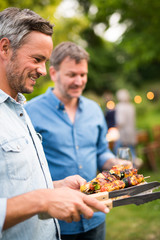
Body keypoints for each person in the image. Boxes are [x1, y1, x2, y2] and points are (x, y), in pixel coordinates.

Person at [0, 8, 111, 240]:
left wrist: (54, 187)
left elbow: (15, 184)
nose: (41, 70)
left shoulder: (19, 110)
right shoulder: (33, 109)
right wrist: (44, 199)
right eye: (37, 59)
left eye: (44, 61)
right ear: (4, 48)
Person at [25, 41, 132, 240]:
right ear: (54, 73)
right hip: (56, 222)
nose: (79, 81)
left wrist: (114, 163)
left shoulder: (94, 110)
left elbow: (101, 151)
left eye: (83, 74)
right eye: (71, 75)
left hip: (96, 213)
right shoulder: (30, 112)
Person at [114, 89, 140, 167]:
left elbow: (121, 122)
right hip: (132, 133)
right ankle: (134, 169)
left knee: (119, 154)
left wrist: (115, 128)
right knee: (131, 152)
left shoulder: (119, 107)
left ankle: (124, 171)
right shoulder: (131, 106)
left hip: (123, 134)